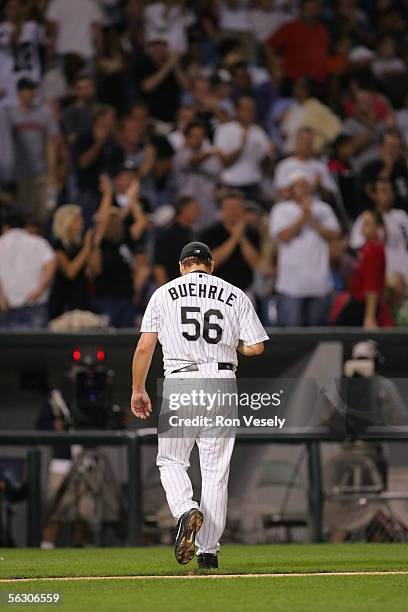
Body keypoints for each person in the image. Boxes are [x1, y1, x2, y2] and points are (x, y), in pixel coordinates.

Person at [130, 241, 268, 569]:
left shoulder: (163, 293)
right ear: (211, 264)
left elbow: (145, 347)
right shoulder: (234, 293)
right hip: (222, 381)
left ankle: (185, 510)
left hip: (181, 379)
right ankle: (209, 552)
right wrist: (233, 345)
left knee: (171, 460)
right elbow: (258, 347)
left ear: (182, 267)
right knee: (215, 473)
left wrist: (138, 388)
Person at [270, 171, 340, 326]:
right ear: (291, 189)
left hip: (320, 283)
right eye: (298, 186)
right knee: (291, 334)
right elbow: (284, 236)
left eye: (305, 185)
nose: (303, 189)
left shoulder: (323, 208)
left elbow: (334, 234)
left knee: (318, 333)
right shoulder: (281, 209)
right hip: (290, 284)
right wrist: (303, 216)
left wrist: (312, 220)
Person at [6, 77, 59, 225]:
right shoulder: (10, 115)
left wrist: (52, 172)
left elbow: (51, 143)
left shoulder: (44, 113)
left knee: (43, 216)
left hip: (41, 173)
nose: (31, 94)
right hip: (20, 175)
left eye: (32, 90)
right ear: (19, 93)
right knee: (24, 216)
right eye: (27, 90)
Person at [0, 210, 56, 329]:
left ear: (5, 227)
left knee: (5, 347)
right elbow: (51, 264)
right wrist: (39, 289)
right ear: (24, 226)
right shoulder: (38, 243)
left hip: (4, 306)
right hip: (33, 305)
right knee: (33, 346)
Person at [350, 178, 408, 285]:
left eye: (390, 190)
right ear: (374, 195)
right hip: (382, 276)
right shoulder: (366, 218)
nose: (388, 194)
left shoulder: (402, 215)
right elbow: (356, 245)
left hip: (404, 272)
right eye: (383, 190)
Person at [201, 190, 261, 292]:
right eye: (229, 208)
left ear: (243, 210)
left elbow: (256, 263)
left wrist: (242, 238)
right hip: (216, 292)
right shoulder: (210, 233)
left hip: (245, 292)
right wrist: (234, 238)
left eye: (237, 208)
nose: (233, 211)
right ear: (222, 210)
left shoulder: (252, 233)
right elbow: (210, 263)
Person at [214, 96, 272, 199]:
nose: (250, 112)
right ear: (237, 111)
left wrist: (269, 155)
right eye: (246, 109)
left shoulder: (259, 132)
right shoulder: (224, 130)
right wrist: (242, 145)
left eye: (252, 109)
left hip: (253, 185)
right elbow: (225, 163)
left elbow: (266, 167)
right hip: (231, 185)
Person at [336, 209, 386, 328]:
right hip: (359, 300)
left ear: (377, 227)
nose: (363, 227)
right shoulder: (367, 247)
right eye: (363, 223)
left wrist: (369, 316)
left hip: (364, 304)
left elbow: (372, 286)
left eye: (367, 223)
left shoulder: (373, 250)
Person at [174, 121, 222, 231]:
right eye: (194, 136)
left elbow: (218, 181)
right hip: (188, 211)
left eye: (200, 136)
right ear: (186, 137)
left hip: (209, 209)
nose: (197, 139)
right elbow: (193, 162)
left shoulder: (213, 159)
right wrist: (210, 153)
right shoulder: (181, 155)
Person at [266, 0, 330, 83]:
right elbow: (268, 46)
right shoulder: (290, 28)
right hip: (294, 81)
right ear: (301, 11)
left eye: (313, 9)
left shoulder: (323, 29)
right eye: (307, 9)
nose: (310, 12)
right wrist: (275, 65)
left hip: (319, 82)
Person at [48, 204, 94, 319]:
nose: (81, 221)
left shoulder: (79, 244)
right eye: (77, 219)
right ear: (67, 222)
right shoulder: (57, 245)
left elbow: (93, 270)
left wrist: (94, 244)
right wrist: (87, 247)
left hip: (82, 297)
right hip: (63, 301)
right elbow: (70, 272)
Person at [274, 127, 338, 201]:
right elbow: (282, 193)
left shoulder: (320, 166)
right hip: (291, 208)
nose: (306, 144)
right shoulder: (284, 165)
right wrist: (309, 188)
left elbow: (331, 195)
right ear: (297, 142)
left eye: (309, 141)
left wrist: (319, 185)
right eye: (303, 140)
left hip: (315, 206)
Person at [154, 195, 199, 285]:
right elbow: (159, 266)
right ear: (183, 210)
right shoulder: (167, 235)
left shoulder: (192, 234)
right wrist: (165, 293)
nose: (198, 212)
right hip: (174, 287)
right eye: (194, 208)